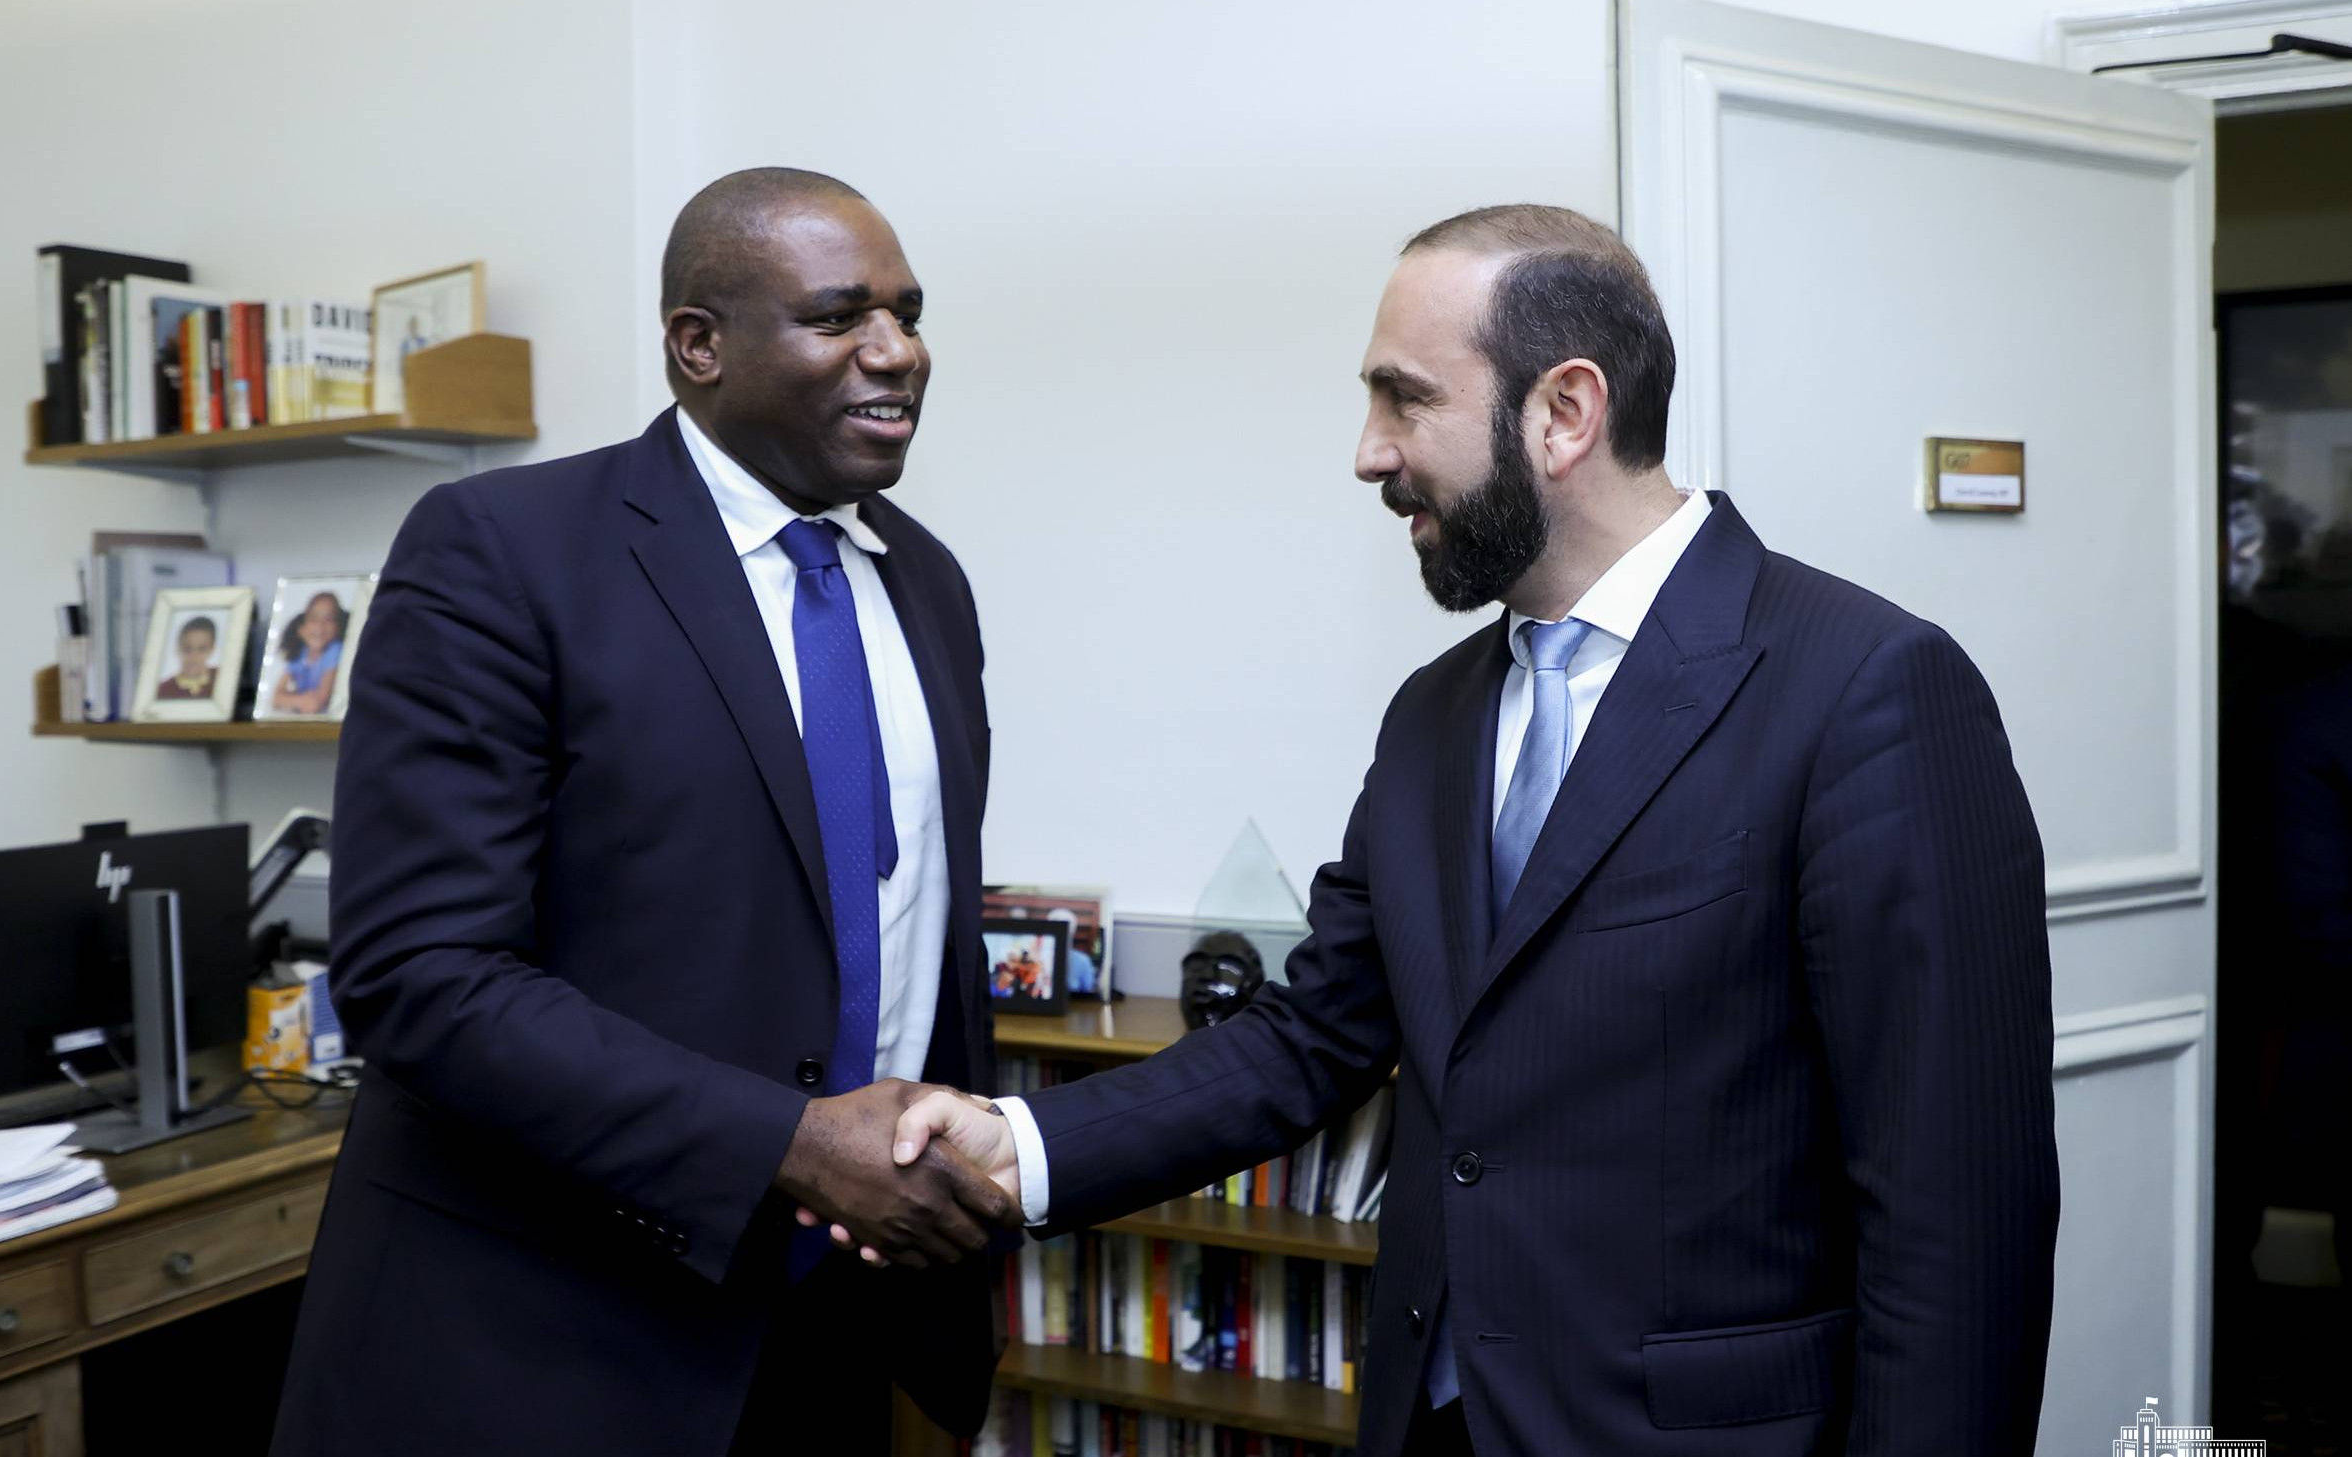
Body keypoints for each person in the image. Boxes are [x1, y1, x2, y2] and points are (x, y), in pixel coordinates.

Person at [889, 205, 2061, 1456]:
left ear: (1563, 411)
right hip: (1435, 1417)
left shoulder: (1864, 687)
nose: (1366, 452)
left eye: (1404, 399)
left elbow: (1957, 1212)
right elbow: (1309, 1035)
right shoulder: (1433, 716)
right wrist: (1021, 1144)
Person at [270, 168, 1016, 1457]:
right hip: (551, 1344)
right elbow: (419, 975)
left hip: (838, 1328)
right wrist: (787, 1142)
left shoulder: (927, 585)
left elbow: (908, 936)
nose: (897, 352)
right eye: (840, 316)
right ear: (698, 346)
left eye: (907, 310)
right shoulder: (501, 549)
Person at [267, 590, 348, 714]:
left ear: (338, 627)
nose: (320, 626)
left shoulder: (335, 651)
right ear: (301, 629)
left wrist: (292, 699)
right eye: (313, 619)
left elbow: (318, 702)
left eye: (329, 619)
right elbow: (275, 699)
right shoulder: (300, 654)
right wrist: (300, 700)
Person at [153, 614, 217, 700]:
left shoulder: (223, 678)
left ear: (212, 649)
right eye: (187, 648)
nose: (194, 656)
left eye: (202, 649)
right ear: (177, 648)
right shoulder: (162, 690)